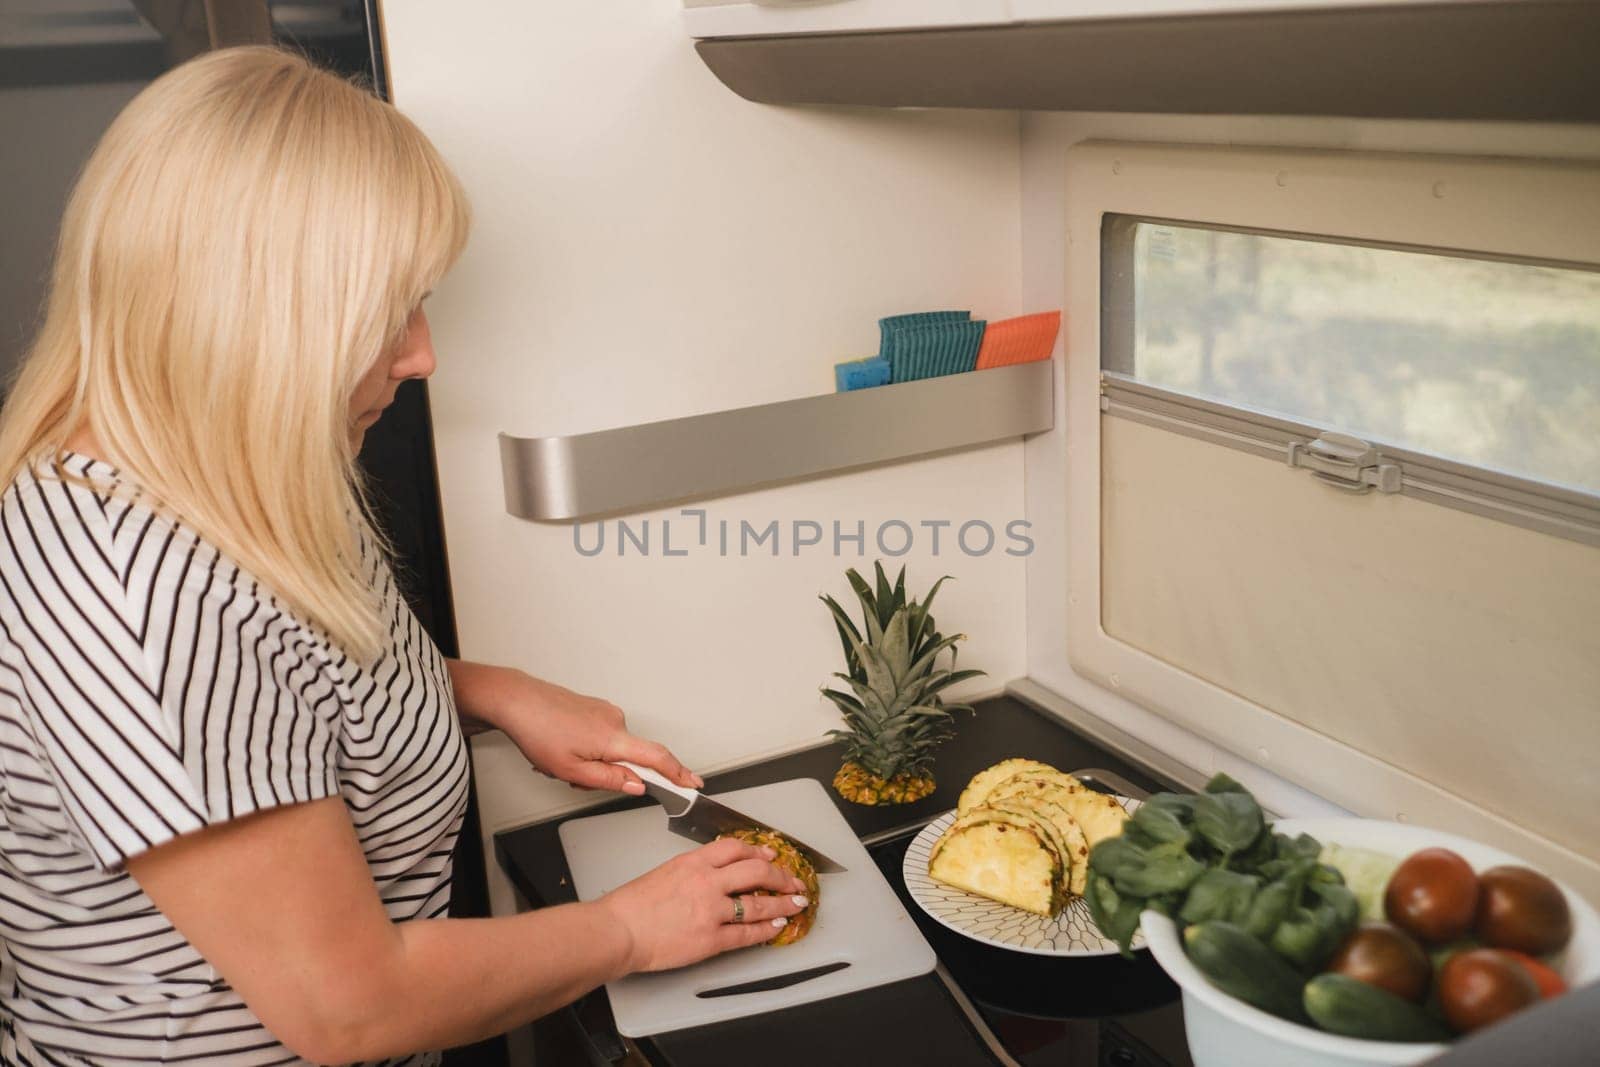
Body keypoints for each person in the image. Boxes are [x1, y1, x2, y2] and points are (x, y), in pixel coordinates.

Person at [0, 46, 806, 1066]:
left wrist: (490, 689)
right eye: (389, 312)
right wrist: (633, 927)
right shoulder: (142, 595)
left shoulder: (223, 472)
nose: (422, 353)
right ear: (248, 315)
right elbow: (349, 1007)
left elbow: (283, 691)